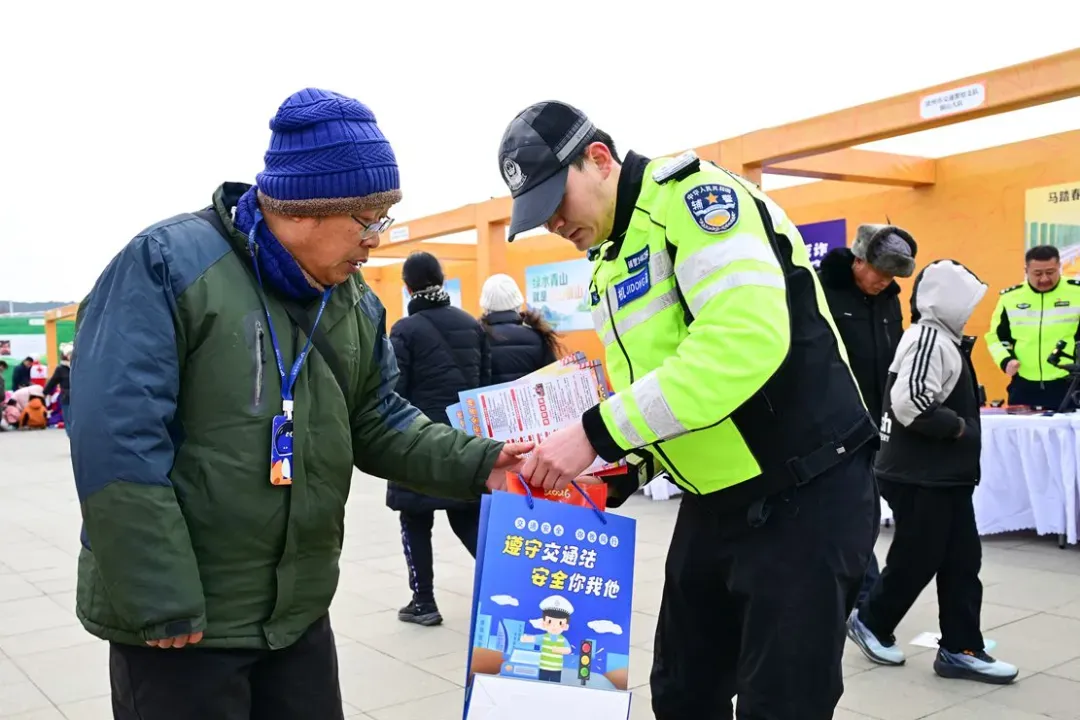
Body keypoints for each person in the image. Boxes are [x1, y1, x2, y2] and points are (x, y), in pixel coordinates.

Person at [69, 88, 530, 720]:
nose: (376, 240)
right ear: (309, 209)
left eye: (384, 219)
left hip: (297, 618)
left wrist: (484, 462)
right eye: (368, 220)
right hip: (186, 625)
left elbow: (380, 420)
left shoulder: (353, 304)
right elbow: (116, 438)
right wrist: (159, 597)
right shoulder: (166, 267)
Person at [495, 101, 878, 719]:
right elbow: (666, 395)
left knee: (780, 702)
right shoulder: (608, 261)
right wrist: (616, 469)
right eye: (537, 216)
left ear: (598, 159)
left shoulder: (694, 201)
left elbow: (740, 343)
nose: (553, 225)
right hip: (716, 500)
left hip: (805, 489)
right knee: (680, 692)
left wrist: (597, 433)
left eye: (555, 203)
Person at [847, 260, 1019, 685]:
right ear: (946, 300)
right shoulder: (928, 337)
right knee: (918, 559)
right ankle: (873, 621)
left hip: (939, 476)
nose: (971, 308)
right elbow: (911, 402)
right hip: (921, 475)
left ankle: (960, 648)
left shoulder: (943, 339)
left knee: (959, 561)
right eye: (967, 299)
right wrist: (957, 427)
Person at [387, 251, 490, 627]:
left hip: (419, 442)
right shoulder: (471, 325)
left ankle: (424, 602)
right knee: (469, 519)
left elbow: (394, 390)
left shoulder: (404, 330)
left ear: (408, 286)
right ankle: (508, 586)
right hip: (466, 441)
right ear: (443, 280)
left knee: (415, 520)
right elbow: (485, 385)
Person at [819, 224, 917, 605]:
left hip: (878, 422)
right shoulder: (821, 292)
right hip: (834, 422)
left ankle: (857, 584)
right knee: (850, 510)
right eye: (880, 273)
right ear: (859, 260)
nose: (885, 282)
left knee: (865, 509)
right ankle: (864, 591)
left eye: (893, 276)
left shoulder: (888, 299)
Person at [984, 244, 1080, 410]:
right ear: (1026, 270)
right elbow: (996, 337)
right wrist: (1006, 361)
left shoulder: (1076, 292)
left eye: (1050, 272)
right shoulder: (1011, 298)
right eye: (1037, 273)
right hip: (1024, 385)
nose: (1044, 279)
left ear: (1059, 267)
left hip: (1068, 384)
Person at [479, 273, 564, 383]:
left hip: (487, 399)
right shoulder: (537, 336)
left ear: (485, 306)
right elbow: (552, 379)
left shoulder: (477, 339)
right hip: (529, 399)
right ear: (518, 303)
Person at [43, 350, 71, 435]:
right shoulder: (61, 369)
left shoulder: (79, 366)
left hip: (80, 397)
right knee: (68, 419)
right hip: (67, 397)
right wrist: (45, 393)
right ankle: (72, 438)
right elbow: (53, 381)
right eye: (68, 354)